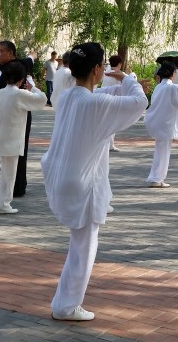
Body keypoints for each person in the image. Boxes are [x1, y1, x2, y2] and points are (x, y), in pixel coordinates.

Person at [44, 42, 147, 321]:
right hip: (83, 183)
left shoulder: (66, 96)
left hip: (63, 175)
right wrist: (129, 80)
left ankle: (64, 302)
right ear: (97, 69)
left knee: (78, 245)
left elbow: (102, 95)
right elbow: (139, 103)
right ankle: (67, 306)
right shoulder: (93, 102)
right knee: (84, 248)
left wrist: (120, 85)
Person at [0, 60, 46, 214]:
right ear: (22, 79)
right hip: (12, 139)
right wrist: (34, 89)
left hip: (1, 137)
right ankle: (4, 204)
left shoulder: (2, 92)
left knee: (6, 173)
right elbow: (42, 100)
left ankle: (1, 202)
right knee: (10, 174)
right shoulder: (19, 94)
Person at [145, 60, 178, 188]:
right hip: (166, 123)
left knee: (161, 150)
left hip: (157, 121)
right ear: (173, 74)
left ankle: (157, 177)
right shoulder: (174, 87)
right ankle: (156, 178)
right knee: (163, 151)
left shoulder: (159, 87)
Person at [0, 41, 34, 197]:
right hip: (10, 115)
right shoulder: (11, 67)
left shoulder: (17, 67)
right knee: (10, 151)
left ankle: (17, 187)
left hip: (19, 115)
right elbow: (30, 61)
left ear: (11, 53)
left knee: (18, 150)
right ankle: (13, 186)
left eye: (1, 51)